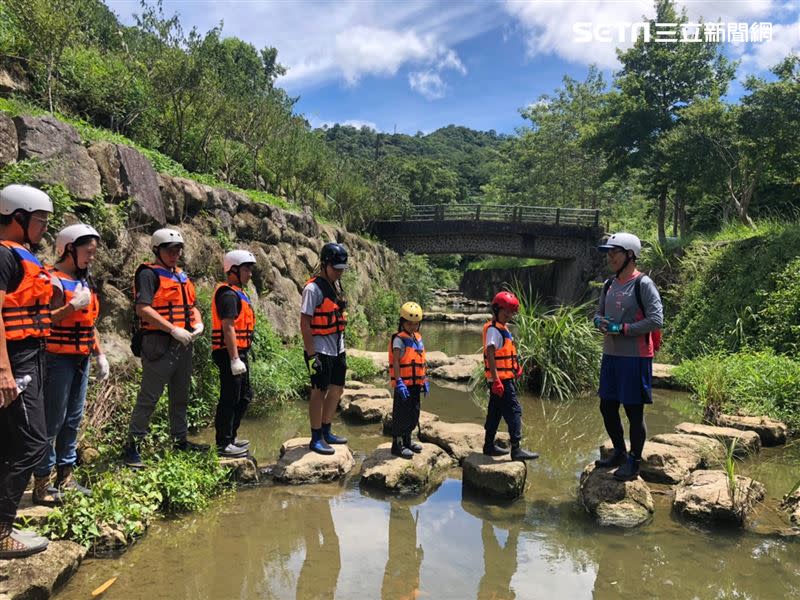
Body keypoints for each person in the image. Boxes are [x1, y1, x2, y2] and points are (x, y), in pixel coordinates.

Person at [32, 224, 109, 505]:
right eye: (88, 253)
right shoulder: (52, 280)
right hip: (57, 358)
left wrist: (100, 355)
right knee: (53, 419)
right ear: (69, 249)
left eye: (93, 253)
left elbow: (90, 324)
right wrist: (70, 307)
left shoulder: (86, 282)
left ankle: (66, 477)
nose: (91, 258)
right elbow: (43, 319)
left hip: (81, 358)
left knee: (73, 418)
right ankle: (42, 483)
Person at [122, 228, 206, 468]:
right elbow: (143, 308)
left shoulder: (181, 276)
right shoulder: (148, 274)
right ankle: (133, 446)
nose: (175, 254)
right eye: (170, 250)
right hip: (159, 343)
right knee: (149, 397)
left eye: (178, 250)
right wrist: (172, 329)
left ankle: (180, 441)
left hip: (184, 344)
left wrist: (197, 323)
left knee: (180, 396)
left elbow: (191, 306)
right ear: (157, 250)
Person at [0, 184, 53, 558]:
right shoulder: (4, 256)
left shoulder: (23, 256)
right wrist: (3, 368)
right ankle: (1, 531)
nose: (44, 228)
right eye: (39, 220)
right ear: (17, 218)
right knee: (32, 443)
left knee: (10, 444)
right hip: (14, 360)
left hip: (30, 357)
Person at [594, 232, 663, 481]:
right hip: (611, 354)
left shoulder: (643, 284)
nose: (610, 257)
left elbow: (656, 319)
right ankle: (620, 453)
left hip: (635, 358)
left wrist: (623, 329)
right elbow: (599, 313)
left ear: (630, 255)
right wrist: (599, 322)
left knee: (634, 411)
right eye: (608, 253)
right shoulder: (609, 284)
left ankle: (634, 461)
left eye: (615, 252)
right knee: (607, 406)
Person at [300, 242, 349, 455]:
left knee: (337, 388)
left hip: (337, 347)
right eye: (336, 268)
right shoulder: (312, 289)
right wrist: (312, 356)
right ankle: (316, 436)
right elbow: (305, 323)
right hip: (319, 349)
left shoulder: (335, 285)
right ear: (325, 264)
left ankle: (327, 429)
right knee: (319, 391)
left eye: (341, 269)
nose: (339, 272)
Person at [482, 291, 538, 461]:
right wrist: (497, 380)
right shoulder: (493, 330)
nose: (508, 315)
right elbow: (490, 353)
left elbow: (506, 352)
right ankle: (516, 449)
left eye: (511, 312)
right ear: (496, 309)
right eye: (505, 311)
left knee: (495, 411)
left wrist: (516, 367)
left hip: (503, 378)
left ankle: (488, 445)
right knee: (514, 411)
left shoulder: (502, 328)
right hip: (501, 381)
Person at [211, 250, 257, 458]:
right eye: (246, 269)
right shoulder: (228, 294)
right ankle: (223, 443)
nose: (249, 273)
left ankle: (231, 437)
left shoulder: (239, 292)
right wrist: (234, 358)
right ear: (234, 270)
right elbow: (228, 326)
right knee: (230, 397)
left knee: (244, 395)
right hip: (229, 353)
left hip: (239, 352)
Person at [388, 301, 428, 459]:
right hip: (403, 384)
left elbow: (421, 360)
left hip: (416, 384)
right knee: (401, 414)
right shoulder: (399, 339)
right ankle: (397, 445)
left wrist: (424, 379)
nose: (412, 327)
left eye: (416, 324)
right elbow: (396, 361)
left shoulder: (417, 338)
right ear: (402, 322)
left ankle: (407, 440)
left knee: (413, 413)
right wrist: (399, 382)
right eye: (409, 323)